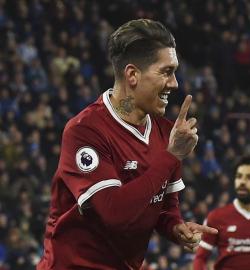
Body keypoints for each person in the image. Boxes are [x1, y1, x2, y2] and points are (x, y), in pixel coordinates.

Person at [37, 19, 217, 270]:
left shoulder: (166, 132)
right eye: (166, 71)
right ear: (132, 74)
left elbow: (163, 206)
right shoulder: (85, 131)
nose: (175, 83)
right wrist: (172, 155)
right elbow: (113, 213)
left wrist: (175, 227)